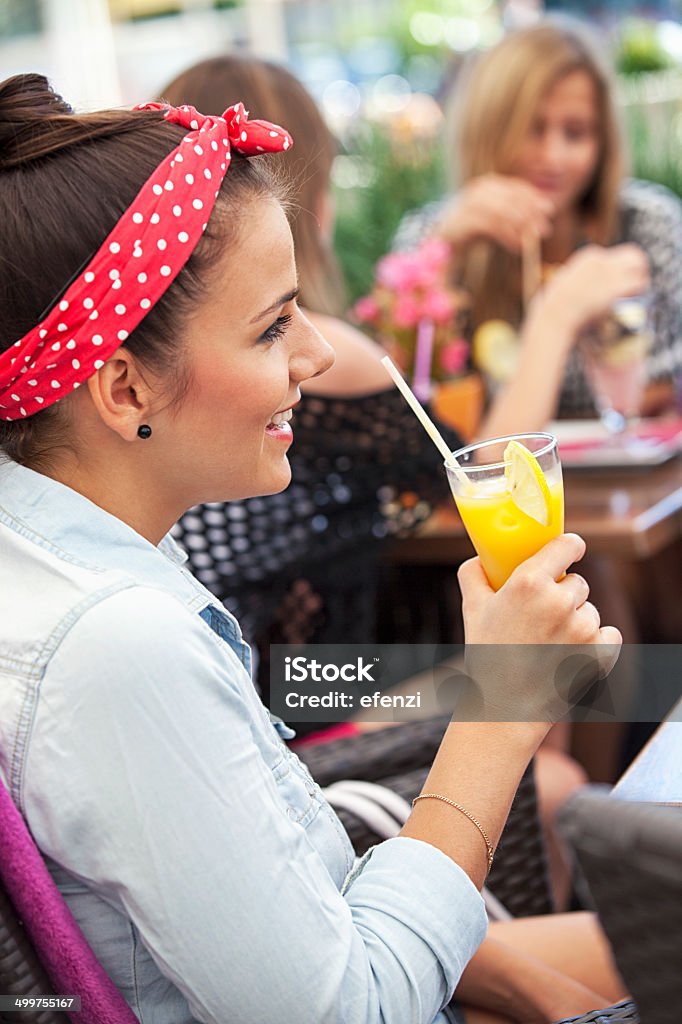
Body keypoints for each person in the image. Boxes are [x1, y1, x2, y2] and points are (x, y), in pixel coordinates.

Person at [0, 73, 626, 1023]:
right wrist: (504, 705)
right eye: (270, 327)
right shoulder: (118, 650)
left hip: (323, 699)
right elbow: (352, 1010)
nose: (316, 356)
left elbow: (286, 895)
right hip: (332, 689)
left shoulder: (66, 558)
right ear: (123, 389)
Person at [160, 55, 590, 910]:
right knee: (560, 690)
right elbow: (486, 467)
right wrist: (555, 320)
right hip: (303, 691)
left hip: (269, 681)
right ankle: (553, 893)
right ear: (308, 204)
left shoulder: (184, 360)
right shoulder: (323, 353)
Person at [395, 18, 679, 436]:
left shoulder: (646, 225)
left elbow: (663, 387)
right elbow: (411, 413)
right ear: (489, 130)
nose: (553, 156)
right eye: (532, 129)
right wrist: (443, 255)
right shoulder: (432, 237)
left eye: (576, 133)